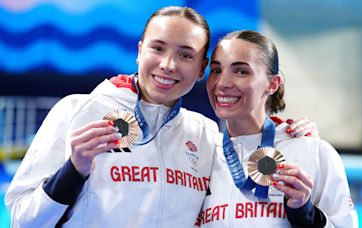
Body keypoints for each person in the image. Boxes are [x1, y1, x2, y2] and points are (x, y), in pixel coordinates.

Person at [5, 6, 317, 228]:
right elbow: (22, 219)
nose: (168, 64)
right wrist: (74, 170)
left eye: (185, 55)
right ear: (140, 51)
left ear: (200, 69)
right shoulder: (77, 110)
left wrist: (288, 134)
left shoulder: (206, 135)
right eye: (158, 48)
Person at [196, 30, 358, 227]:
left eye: (241, 71)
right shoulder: (202, 156)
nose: (222, 83)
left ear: (272, 84)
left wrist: (306, 214)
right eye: (216, 70)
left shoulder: (313, 152)